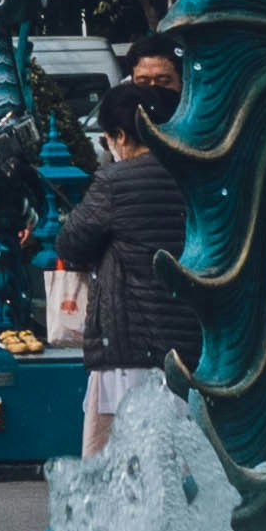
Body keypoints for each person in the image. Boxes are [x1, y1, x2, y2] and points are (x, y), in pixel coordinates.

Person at [45, 86, 203, 452]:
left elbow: (70, 242)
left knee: (121, 462)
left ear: (120, 137)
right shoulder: (194, 175)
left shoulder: (116, 182)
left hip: (130, 342)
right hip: (190, 340)